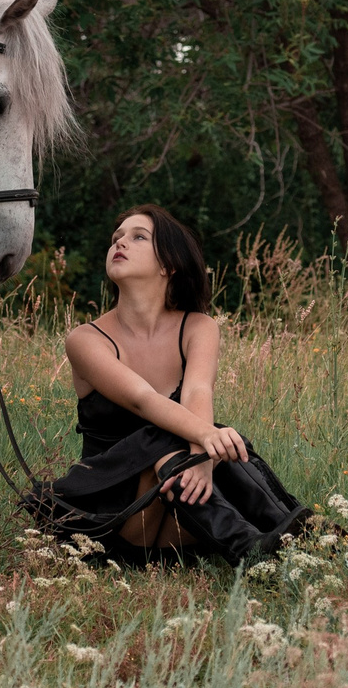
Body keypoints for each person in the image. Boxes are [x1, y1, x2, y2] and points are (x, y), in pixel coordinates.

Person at [27, 204, 309, 565]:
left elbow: (197, 392)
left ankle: (288, 538)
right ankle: (255, 548)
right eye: (117, 238)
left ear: (168, 265)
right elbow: (144, 400)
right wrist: (205, 440)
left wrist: (202, 457)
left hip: (179, 520)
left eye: (138, 237)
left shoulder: (198, 327)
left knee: (198, 439)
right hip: (117, 517)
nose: (120, 243)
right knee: (171, 436)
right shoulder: (85, 339)